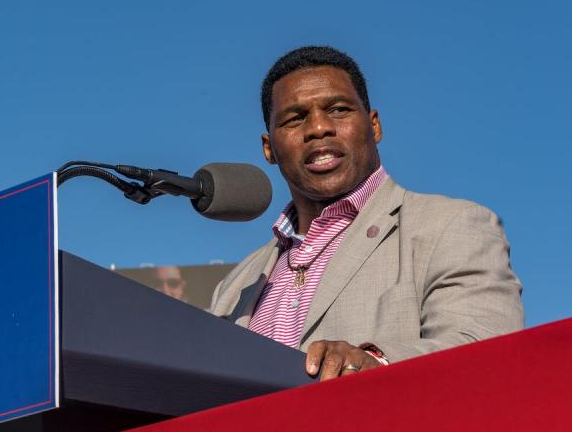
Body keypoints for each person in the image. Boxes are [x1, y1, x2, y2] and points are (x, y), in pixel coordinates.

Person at [210, 46, 523, 381]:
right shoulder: (235, 285)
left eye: (339, 110)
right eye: (295, 118)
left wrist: (378, 363)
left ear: (374, 126)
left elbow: (488, 352)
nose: (318, 128)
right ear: (269, 148)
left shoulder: (450, 226)